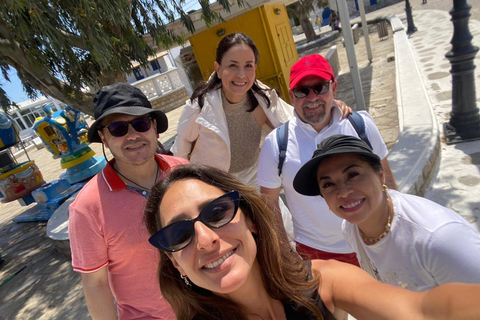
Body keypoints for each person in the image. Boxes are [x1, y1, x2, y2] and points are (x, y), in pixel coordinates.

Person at [144, 164, 480, 320]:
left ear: (251, 222)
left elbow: (421, 310)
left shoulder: (323, 281)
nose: (205, 239)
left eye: (217, 212)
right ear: (174, 261)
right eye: (179, 234)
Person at [258, 54, 397, 265]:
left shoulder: (360, 125)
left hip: (373, 240)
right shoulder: (276, 144)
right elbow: (270, 206)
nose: (312, 97)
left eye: (320, 88)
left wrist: (396, 228)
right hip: (316, 253)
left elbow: (386, 178)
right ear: (292, 96)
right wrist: (286, 253)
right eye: (302, 91)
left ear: (333, 88)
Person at [293, 134, 480, 291]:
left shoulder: (438, 239)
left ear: (381, 175)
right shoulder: (351, 229)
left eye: (352, 175)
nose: (343, 192)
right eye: (328, 184)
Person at [69, 83, 188, 319]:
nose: (132, 135)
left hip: (208, 307)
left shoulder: (183, 171)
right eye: (117, 128)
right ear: (103, 137)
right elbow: (95, 284)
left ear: (154, 127)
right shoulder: (87, 208)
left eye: (141, 124)